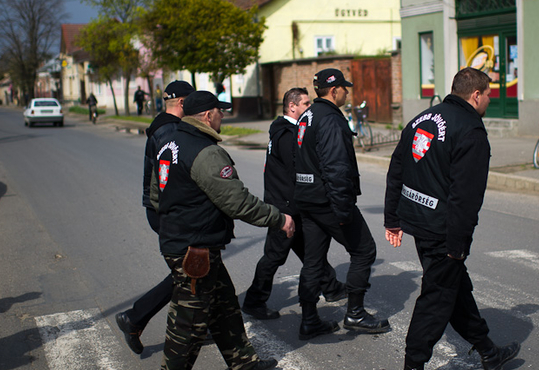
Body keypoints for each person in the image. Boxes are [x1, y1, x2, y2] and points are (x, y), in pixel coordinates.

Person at [383, 67, 521, 370]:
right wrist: (457, 245)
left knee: (455, 289)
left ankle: (488, 351)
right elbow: (465, 197)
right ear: (476, 95)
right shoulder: (470, 129)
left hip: (421, 223)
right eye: (488, 95)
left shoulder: (422, 118)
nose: (489, 101)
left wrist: (393, 218)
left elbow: (396, 170)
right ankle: (413, 365)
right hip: (442, 231)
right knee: (435, 301)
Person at [150, 90, 292, 370]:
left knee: (225, 307)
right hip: (194, 249)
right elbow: (238, 202)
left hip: (186, 242)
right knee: (188, 326)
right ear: (206, 115)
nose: (223, 116)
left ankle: (244, 363)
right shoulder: (206, 152)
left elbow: (156, 195)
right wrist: (279, 219)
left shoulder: (169, 143)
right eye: (220, 111)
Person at [293, 68, 390, 340]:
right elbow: (336, 168)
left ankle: (309, 319)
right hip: (328, 201)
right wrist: (344, 210)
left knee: (313, 262)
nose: (347, 92)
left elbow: (298, 159)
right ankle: (355, 313)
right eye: (344, 88)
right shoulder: (331, 119)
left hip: (308, 200)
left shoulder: (307, 116)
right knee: (364, 250)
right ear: (334, 90)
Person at [242, 88, 347, 320]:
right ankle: (254, 300)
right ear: (292, 107)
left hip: (292, 204)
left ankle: (330, 287)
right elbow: (297, 171)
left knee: (310, 250)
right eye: (306, 104)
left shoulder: (286, 130)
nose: (309, 108)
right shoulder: (287, 134)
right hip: (285, 207)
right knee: (274, 255)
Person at [115, 80, 195, 355]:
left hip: (162, 208)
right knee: (188, 271)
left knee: (199, 271)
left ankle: (202, 325)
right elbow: (171, 179)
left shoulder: (163, 125)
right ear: (183, 103)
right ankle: (135, 318)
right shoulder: (170, 130)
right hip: (167, 211)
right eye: (192, 102)